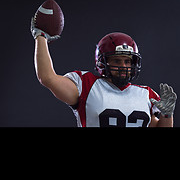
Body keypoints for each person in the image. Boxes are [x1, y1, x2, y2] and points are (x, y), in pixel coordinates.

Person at [31, 19, 177, 127]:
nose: (123, 67)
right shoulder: (87, 85)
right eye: (117, 61)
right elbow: (48, 78)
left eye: (127, 61)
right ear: (102, 62)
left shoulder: (146, 94)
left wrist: (167, 114)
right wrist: (41, 37)